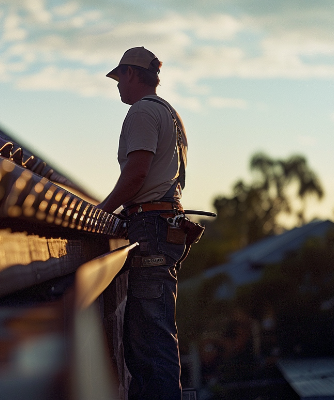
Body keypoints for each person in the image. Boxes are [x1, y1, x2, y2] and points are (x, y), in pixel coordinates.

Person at [98, 46, 188, 400]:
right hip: (163, 222)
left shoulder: (142, 112)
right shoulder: (170, 114)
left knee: (151, 340)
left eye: (119, 77)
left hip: (150, 225)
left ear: (131, 74)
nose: (117, 85)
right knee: (149, 335)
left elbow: (136, 174)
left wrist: (105, 210)